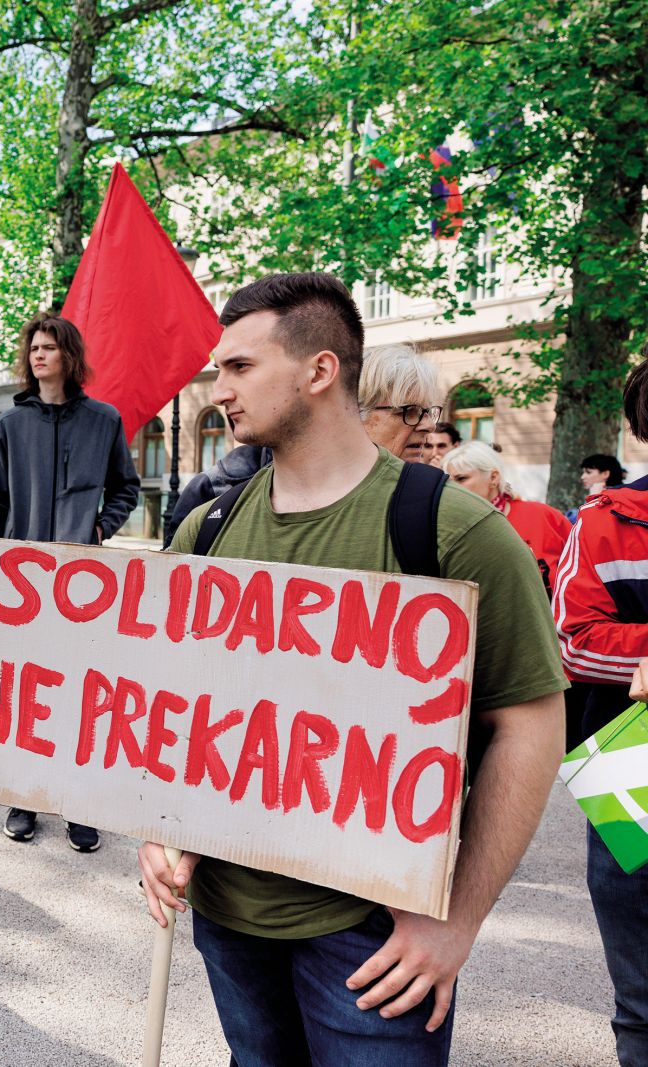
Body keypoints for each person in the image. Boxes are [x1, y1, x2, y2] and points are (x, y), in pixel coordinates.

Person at [145, 271, 566, 1066]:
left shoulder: (452, 530)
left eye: (239, 367)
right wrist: (162, 829)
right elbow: (175, 706)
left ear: (319, 370)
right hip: (229, 919)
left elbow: (531, 722)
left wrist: (458, 916)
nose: (219, 388)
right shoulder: (204, 531)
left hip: (375, 938)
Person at [0, 311, 140, 852]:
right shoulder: (8, 426)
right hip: (22, 583)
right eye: (33, 348)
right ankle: (24, 796)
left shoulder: (104, 420)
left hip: (82, 583)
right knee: (28, 691)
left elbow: (126, 487)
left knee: (78, 694)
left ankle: (79, 803)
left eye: (49, 347)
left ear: (69, 357)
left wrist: (100, 527)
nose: (38, 355)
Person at [556, 364, 648, 1066]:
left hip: (622, 756)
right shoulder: (606, 520)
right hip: (627, 755)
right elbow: (574, 642)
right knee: (642, 995)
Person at [162, 343, 445, 547]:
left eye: (429, 411)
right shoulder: (217, 494)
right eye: (408, 411)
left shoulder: (445, 509)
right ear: (349, 411)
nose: (428, 425)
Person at [443, 441, 570, 596]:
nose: (453, 488)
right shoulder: (446, 526)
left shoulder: (543, 515)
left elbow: (583, 571)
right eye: (449, 482)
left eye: (461, 479)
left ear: (493, 477)